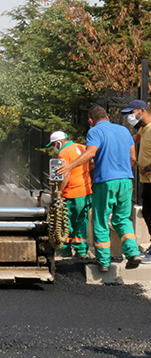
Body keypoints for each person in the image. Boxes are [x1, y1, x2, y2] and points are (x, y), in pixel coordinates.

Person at [58, 105, 142, 272]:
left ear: (91, 120)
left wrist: (70, 166)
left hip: (105, 181)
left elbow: (90, 153)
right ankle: (132, 252)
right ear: (108, 116)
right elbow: (132, 157)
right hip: (126, 180)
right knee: (122, 219)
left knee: (101, 219)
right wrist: (123, 171)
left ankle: (103, 261)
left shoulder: (95, 131)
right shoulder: (125, 131)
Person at [47, 131, 91, 259]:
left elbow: (65, 174)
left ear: (58, 143)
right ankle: (81, 251)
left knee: (66, 223)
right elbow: (91, 164)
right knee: (82, 221)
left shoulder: (64, 152)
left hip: (71, 192)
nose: (54, 148)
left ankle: (65, 251)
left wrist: (59, 191)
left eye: (54, 145)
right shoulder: (82, 147)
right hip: (85, 191)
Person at [124, 99, 151, 263]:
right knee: (147, 213)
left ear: (141, 111)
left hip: (148, 175)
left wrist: (147, 168)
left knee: (149, 213)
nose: (131, 116)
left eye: (132, 112)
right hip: (146, 180)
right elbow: (133, 140)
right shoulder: (144, 129)